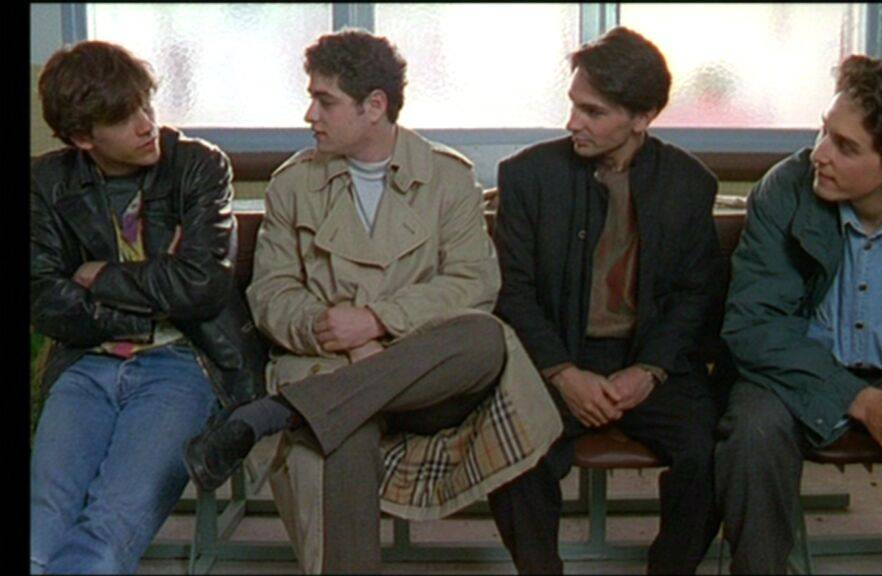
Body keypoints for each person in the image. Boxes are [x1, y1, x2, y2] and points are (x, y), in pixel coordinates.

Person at [182, 28, 562, 574]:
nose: (310, 114)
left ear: (375, 106)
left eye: (326, 101)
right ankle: (315, 410)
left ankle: (279, 412)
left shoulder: (448, 178)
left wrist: (377, 323)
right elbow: (270, 293)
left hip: (426, 376)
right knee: (341, 430)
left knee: (485, 339)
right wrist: (331, 331)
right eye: (311, 98)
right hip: (329, 364)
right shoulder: (293, 185)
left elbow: (473, 283)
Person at [716, 53, 882, 574]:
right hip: (799, 370)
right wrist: (861, 401)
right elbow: (755, 325)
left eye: (846, 146)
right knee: (753, 431)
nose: (819, 154)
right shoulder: (784, 188)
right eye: (824, 130)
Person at [486, 26, 724, 574]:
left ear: (642, 118)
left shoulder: (689, 184)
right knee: (515, 444)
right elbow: (511, 292)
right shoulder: (527, 176)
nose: (573, 122)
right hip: (556, 354)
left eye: (592, 112)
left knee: (711, 451)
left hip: (650, 358)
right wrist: (563, 373)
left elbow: (696, 294)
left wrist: (650, 370)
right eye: (573, 105)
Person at [29, 40, 265, 574]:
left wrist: (99, 276)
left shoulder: (198, 165)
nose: (146, 125)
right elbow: (46, 300)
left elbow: (203, 287)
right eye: (124, 118)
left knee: (111, 521)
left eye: (146, 105)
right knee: (41, 528)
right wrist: (153, 300)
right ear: (83, 138)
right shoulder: (45, 182)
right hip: (86, 361)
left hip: (183, 361)